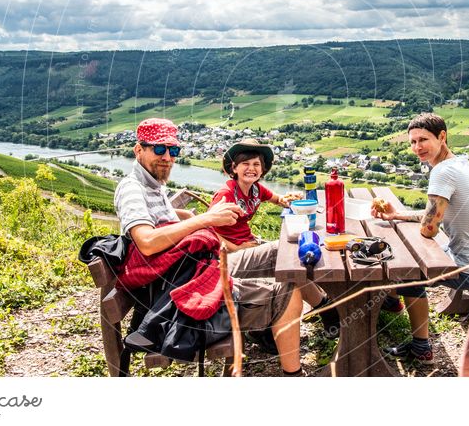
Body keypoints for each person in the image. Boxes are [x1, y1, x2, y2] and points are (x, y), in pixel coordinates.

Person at [113, 118, 305, 375]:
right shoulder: (132, 189)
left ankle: (326, 309)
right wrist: (205, 220)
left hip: (196, 268)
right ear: (139, 150)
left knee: (286, 250)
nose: (168, 157)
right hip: (182, 285)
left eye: (173, 150)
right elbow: (147, 242)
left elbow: (162, 221)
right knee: (288, 292)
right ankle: (294, 375)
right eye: (159, 149)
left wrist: (189, 218)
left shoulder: (153, 185)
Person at [373, 112, 469, 364]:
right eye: (412, 142)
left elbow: (429, 228)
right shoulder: (461, 163)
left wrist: (419, 224)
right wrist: (398, 214)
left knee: (407, 272)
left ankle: (421, 348)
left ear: (442, 137)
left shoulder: (442, 172)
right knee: (408, 255)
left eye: (423, 139)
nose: (417, 147)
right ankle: (391, 301)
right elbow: (434, 214)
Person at [210, 138, 340, 347]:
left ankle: (324, 307)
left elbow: (277, 199)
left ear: (262, 170)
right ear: (234, 168)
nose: (251, 169)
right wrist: (236, 247)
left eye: (256, 164)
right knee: (287, 255)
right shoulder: (226, 194)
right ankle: (326, 309)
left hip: (248, 245)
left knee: (291, 256)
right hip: (226, 257)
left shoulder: (255, 190)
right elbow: (207, 229)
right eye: (245, 164)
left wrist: (287, 198)